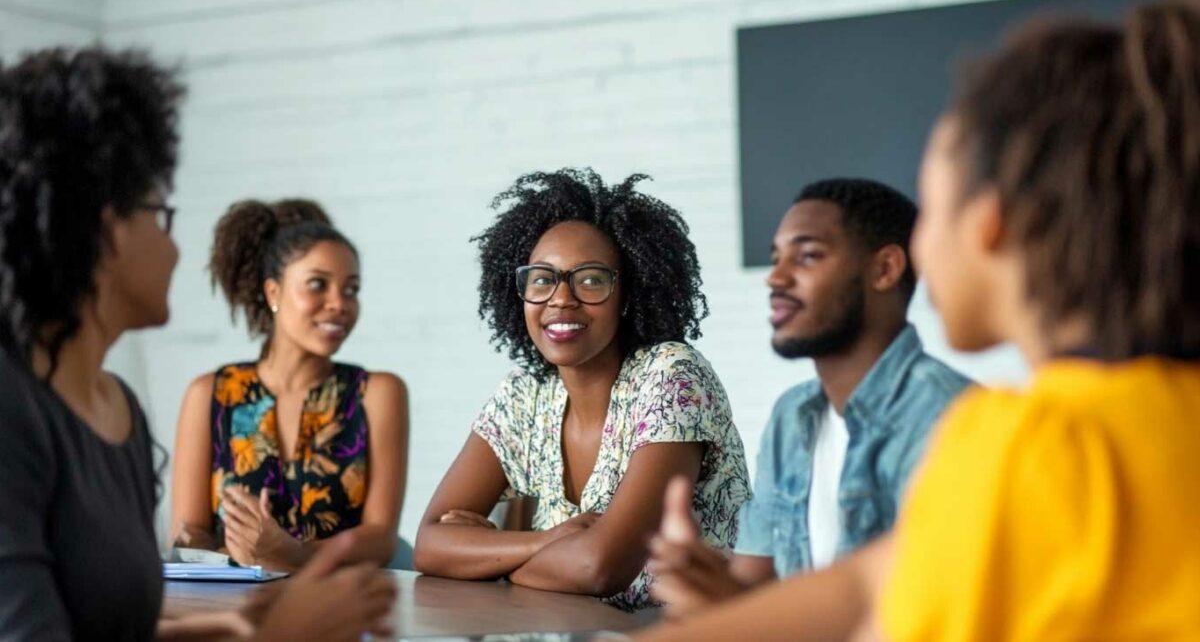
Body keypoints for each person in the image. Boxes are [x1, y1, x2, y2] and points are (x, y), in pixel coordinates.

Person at [637, 0, 1200, 641]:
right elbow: (870, 578)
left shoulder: (1025, 446)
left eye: (932, 208)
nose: (923, 243)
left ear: (992, 225)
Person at [0, 46, 395, 640]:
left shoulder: (118, 412)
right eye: (162, 215)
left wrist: (235, 629)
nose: (178, 249)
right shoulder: (11, 415)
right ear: (107, 231)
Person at [412, 168, 750, 611]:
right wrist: (551, 542)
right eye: (541, 279)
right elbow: (430, 546)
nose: (561, 298)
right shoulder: (524, 397)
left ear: (627, 294)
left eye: (590, 279)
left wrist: (493, 558)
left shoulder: (671, 378)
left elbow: (599, 568)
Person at [648, 179, 971, 614]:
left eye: (809, 256)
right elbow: (751, 589)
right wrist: (702, 580)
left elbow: (925, 617)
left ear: (884, 269)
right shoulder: (791, 417)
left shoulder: (951, 420)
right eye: (776, 258)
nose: (776, 278)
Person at [170, 198, 408, 572]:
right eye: (318, 285)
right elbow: (188, 535)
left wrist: (294, 556)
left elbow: (380, 538)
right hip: (233, 610)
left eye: (351, 289)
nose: (339, 304)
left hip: (341, 608)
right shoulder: (209, 395)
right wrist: (240, 556)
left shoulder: (377, 393)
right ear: (274, 293)